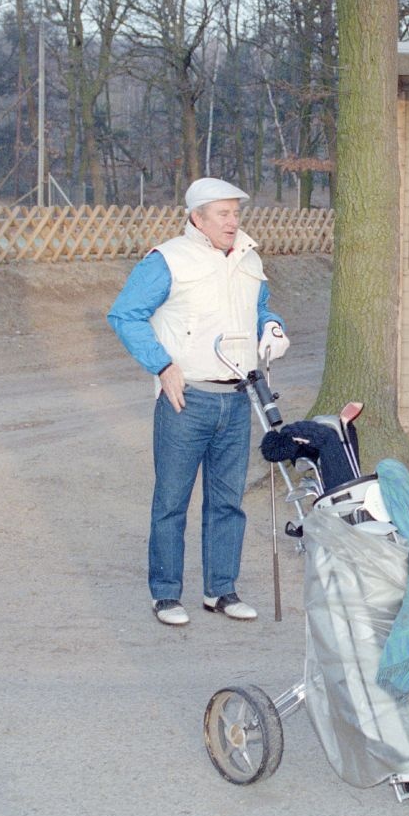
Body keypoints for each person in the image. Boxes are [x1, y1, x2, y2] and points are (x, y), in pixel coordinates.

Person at [108, 178, 289, 626]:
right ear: (197, 217)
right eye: (223, 214)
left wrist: (272, 326)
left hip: (238, 396)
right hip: (186, 398)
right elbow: (125, 314)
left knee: (227, 500)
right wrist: (162, 364)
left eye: (235, 212)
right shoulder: (167, 259)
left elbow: (260, 307)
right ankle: (166, 594)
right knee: (172, 500)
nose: (233, 221)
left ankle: (221, 590)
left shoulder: (249, 256)